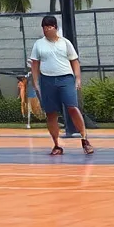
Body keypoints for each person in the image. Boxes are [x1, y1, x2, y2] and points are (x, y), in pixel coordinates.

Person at [29, 15, 93, 156]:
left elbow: (74, 60)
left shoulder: (65, 43)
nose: (46, 30)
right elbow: (35, 64)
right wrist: (35, 82)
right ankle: (57, 145)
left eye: (49, 27)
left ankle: (85, 139)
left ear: (55, 28)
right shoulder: (39, 44)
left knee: (72, 107)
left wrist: (77, 78)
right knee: (51, 113)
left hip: (66, 79)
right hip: (47, 80)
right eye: (44, 27)